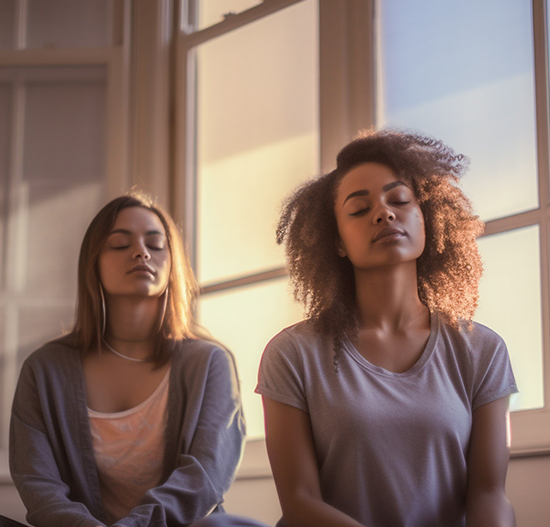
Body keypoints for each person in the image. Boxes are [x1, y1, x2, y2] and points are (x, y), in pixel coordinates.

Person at [254, 129, 518, 526]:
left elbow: (488, 493)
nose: (384, 213)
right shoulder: (292, 355)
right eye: (359, 210)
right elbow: (299, 501)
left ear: (426, 220)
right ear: (337, 241)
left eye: (399, 200)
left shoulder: (482, 350)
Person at [1, 192, 245, 527]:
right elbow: (38, 484)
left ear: (172, 263)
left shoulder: (209, 362)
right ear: (94, 263)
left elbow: (205, 478)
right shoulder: (44, 370)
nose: (142, 252)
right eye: (119, 244)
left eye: (156, 244)